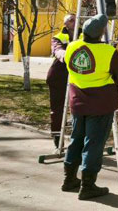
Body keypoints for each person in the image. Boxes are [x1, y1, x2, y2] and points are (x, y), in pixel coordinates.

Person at [61, 14, 118, 200]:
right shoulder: (108, 51)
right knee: (94, 143)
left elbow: (69, 66)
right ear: (101, 33)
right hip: (100, 104)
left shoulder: (72, 46)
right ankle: (88, 186)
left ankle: (69, 179)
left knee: (76, 139)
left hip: (77, 103)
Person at [46, 14, 75, 150]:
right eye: (71, 20)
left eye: (76, 19)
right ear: (65, 24)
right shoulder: (58, 37)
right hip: (59, 77)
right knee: (57, 110)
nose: (74, 22)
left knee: (78, 109)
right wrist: (66, 55)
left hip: (77, 77)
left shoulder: (84, 34)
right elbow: (57, 50)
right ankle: (58, 140)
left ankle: (78, 143)